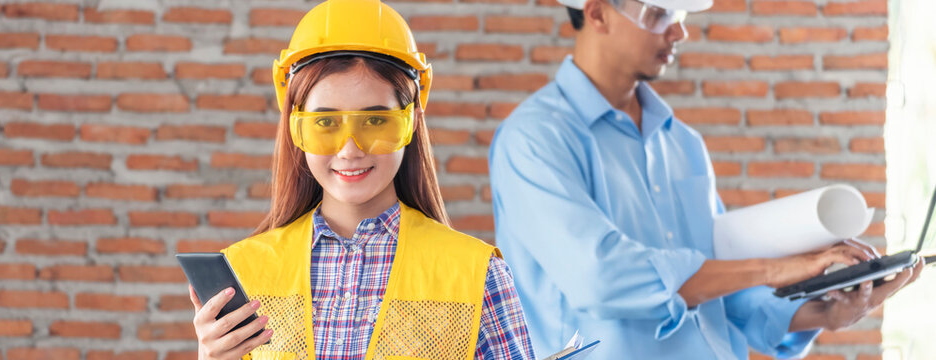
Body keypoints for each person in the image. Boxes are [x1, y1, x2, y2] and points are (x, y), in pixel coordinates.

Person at [488, 0, 923, 358]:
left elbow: (721, 297)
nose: (679, 33)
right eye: (659, 14)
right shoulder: (533, 139)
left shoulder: (684, 144)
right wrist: (775, 269)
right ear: (597, 12)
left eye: (680, 18)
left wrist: (828, 312)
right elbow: (602, 277)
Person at [185, 0, 535, 358]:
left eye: (375, 121)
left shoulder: (478, 275)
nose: (350, 150)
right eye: (325, 123)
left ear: (411, 122)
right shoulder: (242, 272)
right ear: (295, 127)